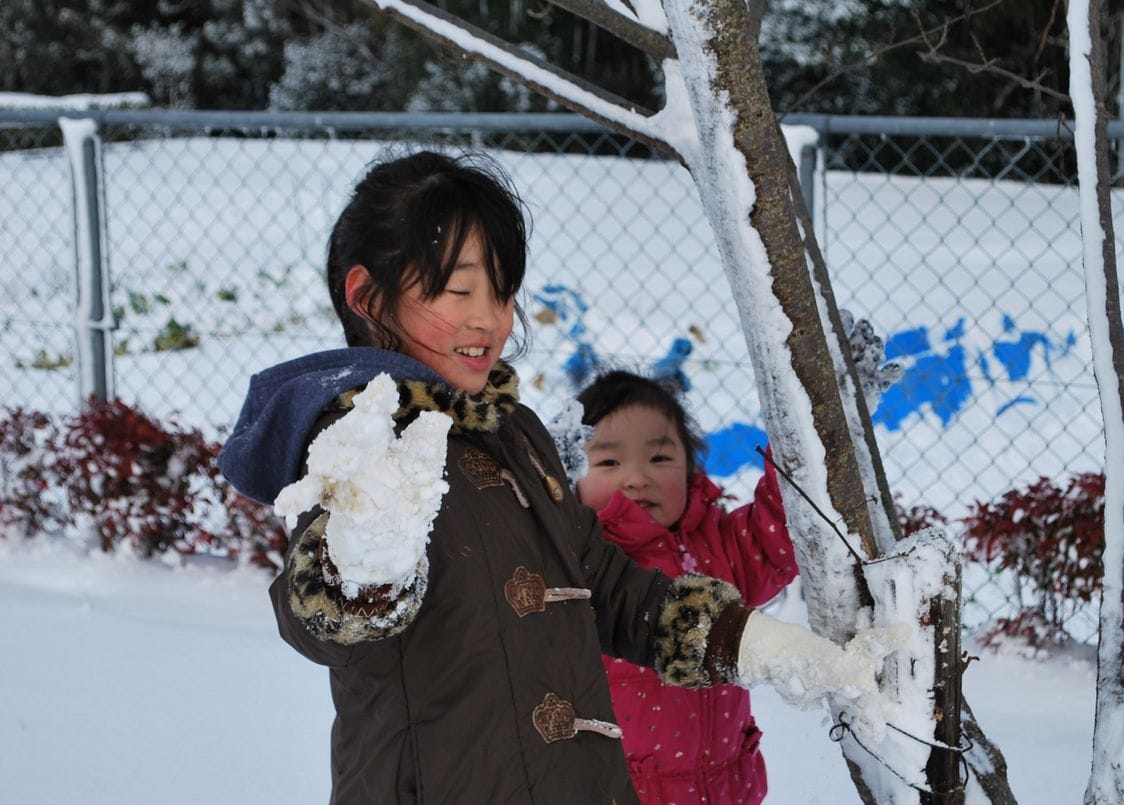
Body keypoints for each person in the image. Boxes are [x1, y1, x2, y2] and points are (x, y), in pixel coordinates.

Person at [217, 149, 903, 804]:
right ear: (367, 296)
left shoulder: (517, 438)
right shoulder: (359, 447)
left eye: (503, 290)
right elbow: (315, 618)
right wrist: (362, 567)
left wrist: (766, 647)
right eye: (458, 289)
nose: (489, 318)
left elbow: (610, 588)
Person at [575, 370, 798, 804]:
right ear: (572, 479)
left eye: (659, 459)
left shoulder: (725, 546)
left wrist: (811, 418)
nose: (636, 478)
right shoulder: (575, 567)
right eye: (608, 462)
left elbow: (785, 523)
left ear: (691, 468)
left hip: (730, 789)